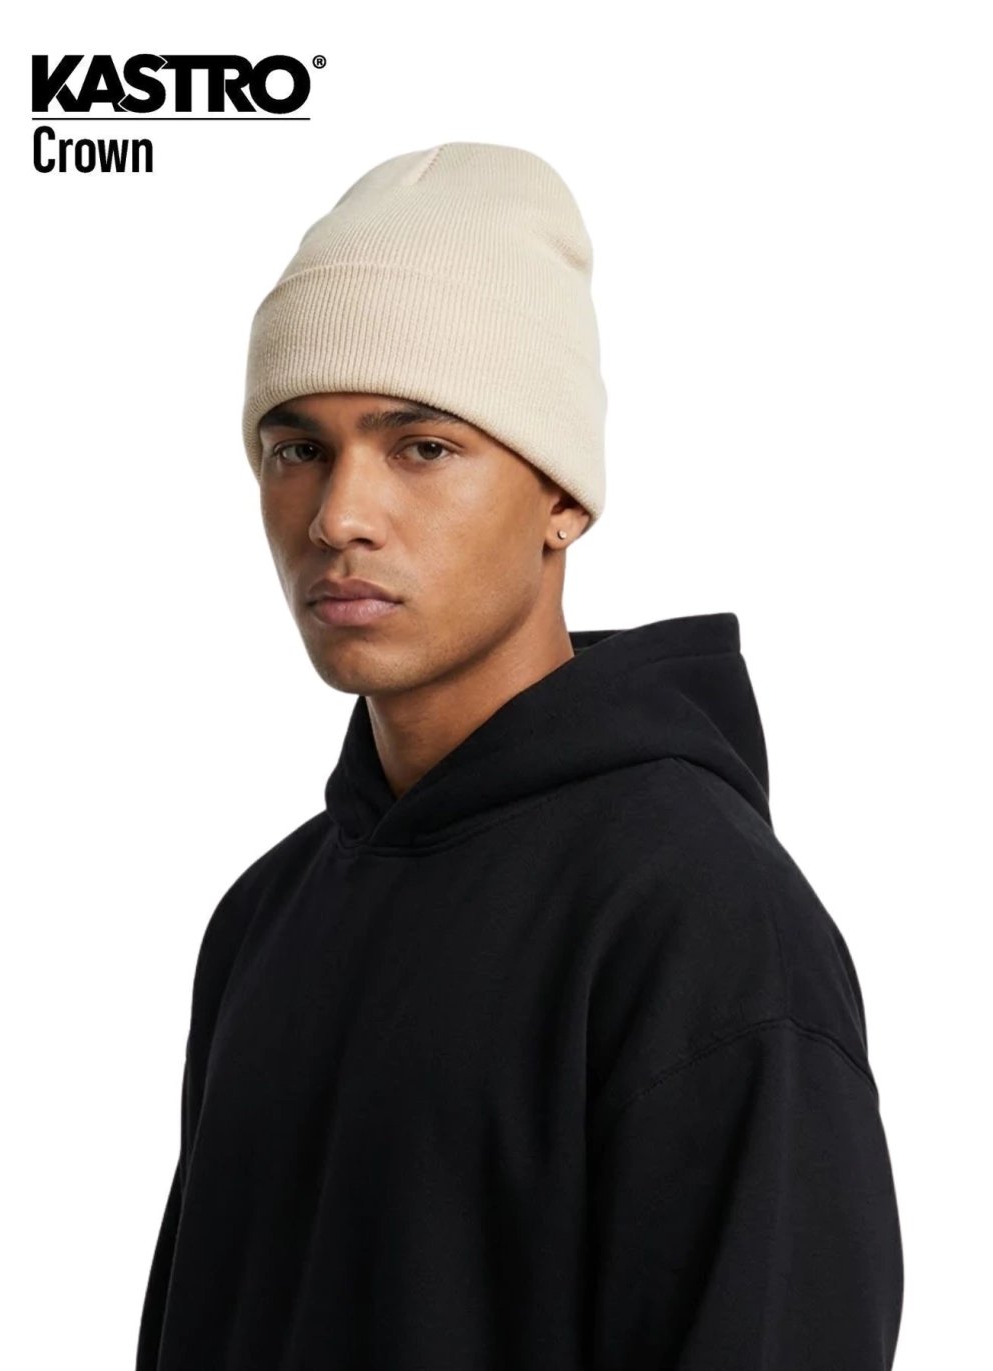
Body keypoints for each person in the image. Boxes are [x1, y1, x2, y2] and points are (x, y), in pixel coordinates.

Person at [135, 141, 903, 1370]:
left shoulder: (697, 916)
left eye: (422, 447)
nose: (338, 516)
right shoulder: (266, 917)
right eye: (297, 449)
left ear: (561, 498)